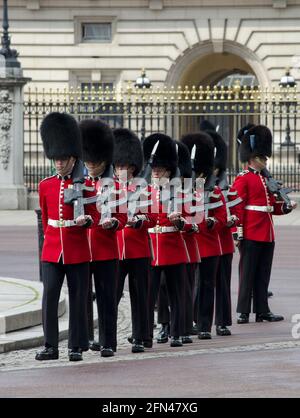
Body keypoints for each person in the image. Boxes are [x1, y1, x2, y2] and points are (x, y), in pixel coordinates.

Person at [36, 112, 98, 362]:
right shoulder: (45, 185)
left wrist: (87, 221)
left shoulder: (86, 185)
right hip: (53, 249)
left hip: (77, 248)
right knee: (50, 295)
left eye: (63, 159)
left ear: (73, 158)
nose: (59, 163)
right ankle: (50, 345)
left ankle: (76, 345)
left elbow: (93, 214)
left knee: (78, 296)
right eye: (56, 159)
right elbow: (45, 218)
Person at [233, 125, 298, 323]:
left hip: (266, 232)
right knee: (248, 274)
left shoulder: (265, 180)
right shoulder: (243, 179)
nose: (266, 160)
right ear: (254, 158)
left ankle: (262, 310)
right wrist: (238, 232)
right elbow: (238, 208)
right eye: (263, 157)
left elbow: (272, 207)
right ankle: (243, 311)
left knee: (263, 274)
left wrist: (287, 208)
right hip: (251, 232)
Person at [80, 119, 127, 357]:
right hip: (82, 248)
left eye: (94, 162)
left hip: (106, 248)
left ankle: (108, 341)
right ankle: (85, 337)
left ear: (104, 161)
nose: (90, 166)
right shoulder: (80, 184)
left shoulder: (116, 186)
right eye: (87, 161)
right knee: (82, 297)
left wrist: (115, 223)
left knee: (107, 299)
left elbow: (123, 216)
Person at [144, 133, 194, 347]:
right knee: (149, 295)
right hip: (152, 250)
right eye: (154, 170)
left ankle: (177, 331)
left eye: (159, 170)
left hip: (173, 247)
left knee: (177, 294)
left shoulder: (182, 193)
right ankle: (146, 333)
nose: (155, 174)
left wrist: (181, 223)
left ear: (169, 170)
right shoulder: (145, 193)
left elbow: (194, 223)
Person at [114, 128, 156, 353]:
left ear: (133, 167)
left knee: (140, 297)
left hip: (138, 250)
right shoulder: (106, 189)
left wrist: (141, 220)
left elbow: (154, 217)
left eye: (126, 166)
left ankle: (140, 336)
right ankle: (107, 338)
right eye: (119, 166)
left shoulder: (145, 189)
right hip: (115, 249)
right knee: (110, 297)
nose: (122, 170)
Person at [182, 132, 227, 340]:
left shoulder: (215, 191)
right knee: (188, 285)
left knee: (207, 285)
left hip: (209, 245)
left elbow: (222, 217)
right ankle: (187, 321)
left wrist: (213, 222)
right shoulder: (183, 192)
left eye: (200, 172)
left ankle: (204, 325)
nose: (197, 176)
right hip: (190, 244)